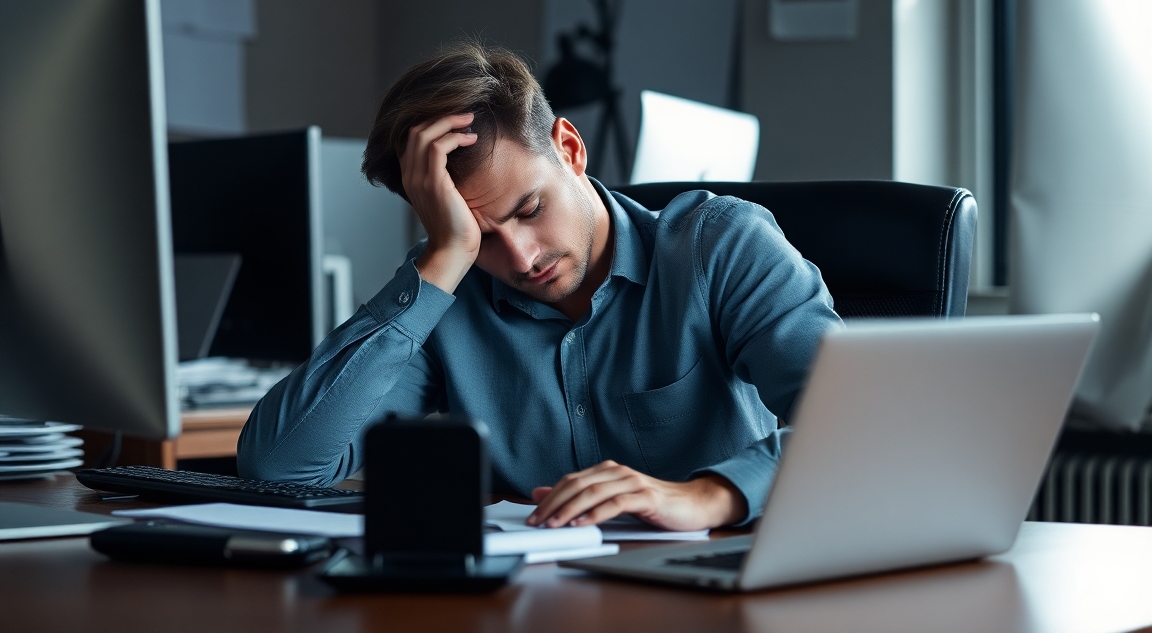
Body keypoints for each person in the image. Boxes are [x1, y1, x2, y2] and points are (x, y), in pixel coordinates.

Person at [237, 41, 842, 531]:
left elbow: (854, 426)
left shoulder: (720, 246)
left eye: (528, 209)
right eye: (479, 236)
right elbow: (281, 467)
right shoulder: (450, 293)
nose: (521, 258)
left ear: (570, 148)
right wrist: (444, 259)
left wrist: (710, 496)